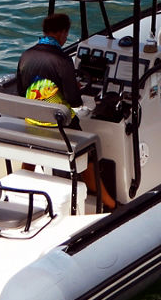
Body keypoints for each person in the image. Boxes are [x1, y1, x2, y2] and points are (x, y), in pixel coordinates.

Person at [16, 13, 115, 210]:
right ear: (61, 33)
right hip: (58, 125)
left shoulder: (25, 56)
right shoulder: (62, 60)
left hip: (32, 121)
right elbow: (74, 101)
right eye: (66, 34)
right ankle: (110, 202)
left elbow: (22, 91)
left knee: (32, 148)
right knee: (87, 152)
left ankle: (21, 187)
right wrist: (76, 88)